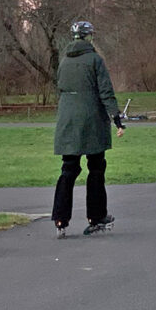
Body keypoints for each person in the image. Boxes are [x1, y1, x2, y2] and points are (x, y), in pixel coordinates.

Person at [51, 20, 125, 238]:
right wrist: (117, 119)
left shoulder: (64, 61)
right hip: (92, 120)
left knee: (69, 169)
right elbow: (105, 92)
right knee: (96, 167)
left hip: (67, 121)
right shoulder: (95, 60)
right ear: (89, 37)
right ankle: (96, 215)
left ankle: (60, 218)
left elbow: (62, 88)